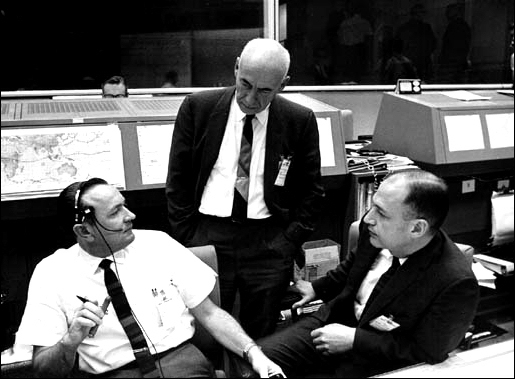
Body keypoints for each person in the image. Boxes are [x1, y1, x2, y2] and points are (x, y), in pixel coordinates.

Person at [13, 178, 285, 378]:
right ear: (84, 231)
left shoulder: (159, 244)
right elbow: (44, 370)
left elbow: (210, 314)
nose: (130, 216)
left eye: (124, 206)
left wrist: (254, 353)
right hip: (114, 373)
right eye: (115, 213)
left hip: (183, 364)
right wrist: (70, 341)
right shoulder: (51, 273)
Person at [244, 169, 479, 377]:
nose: (368, 218)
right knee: (254, 365)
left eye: (382, 213)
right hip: (335, 321)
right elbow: (350, 270)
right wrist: (317, 287)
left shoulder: (455, 282)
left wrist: (354, 340)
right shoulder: (373, 229)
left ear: (417, 228)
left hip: (379, 358)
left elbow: (426, 351)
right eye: (373, 206)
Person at [166, 38, 325, 340]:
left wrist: (286, 243)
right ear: (237, 67)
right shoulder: (198, 108)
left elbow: (312, 193)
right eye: (245, 84)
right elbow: (178, 182)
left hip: (268, 241)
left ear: (284, 84)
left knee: (262, 333)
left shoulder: (298, 120)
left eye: (264, 90)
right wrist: (189, 236)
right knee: (206, 331)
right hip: (208, 233)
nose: (251, 98)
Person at [395, 4, 436, 83]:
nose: (423, 16)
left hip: (407, 64)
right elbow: (432, 45)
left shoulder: (403, 28)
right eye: (422, 13)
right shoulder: (425, 28)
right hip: (421, 64)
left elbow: (397, 47)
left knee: (406, 87)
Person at [437, 3, 472, 83]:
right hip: (456, 63)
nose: (446, 14)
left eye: (448, 12)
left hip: (452, 64)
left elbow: (451, 46)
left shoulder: (457, 26)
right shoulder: (461, 25)